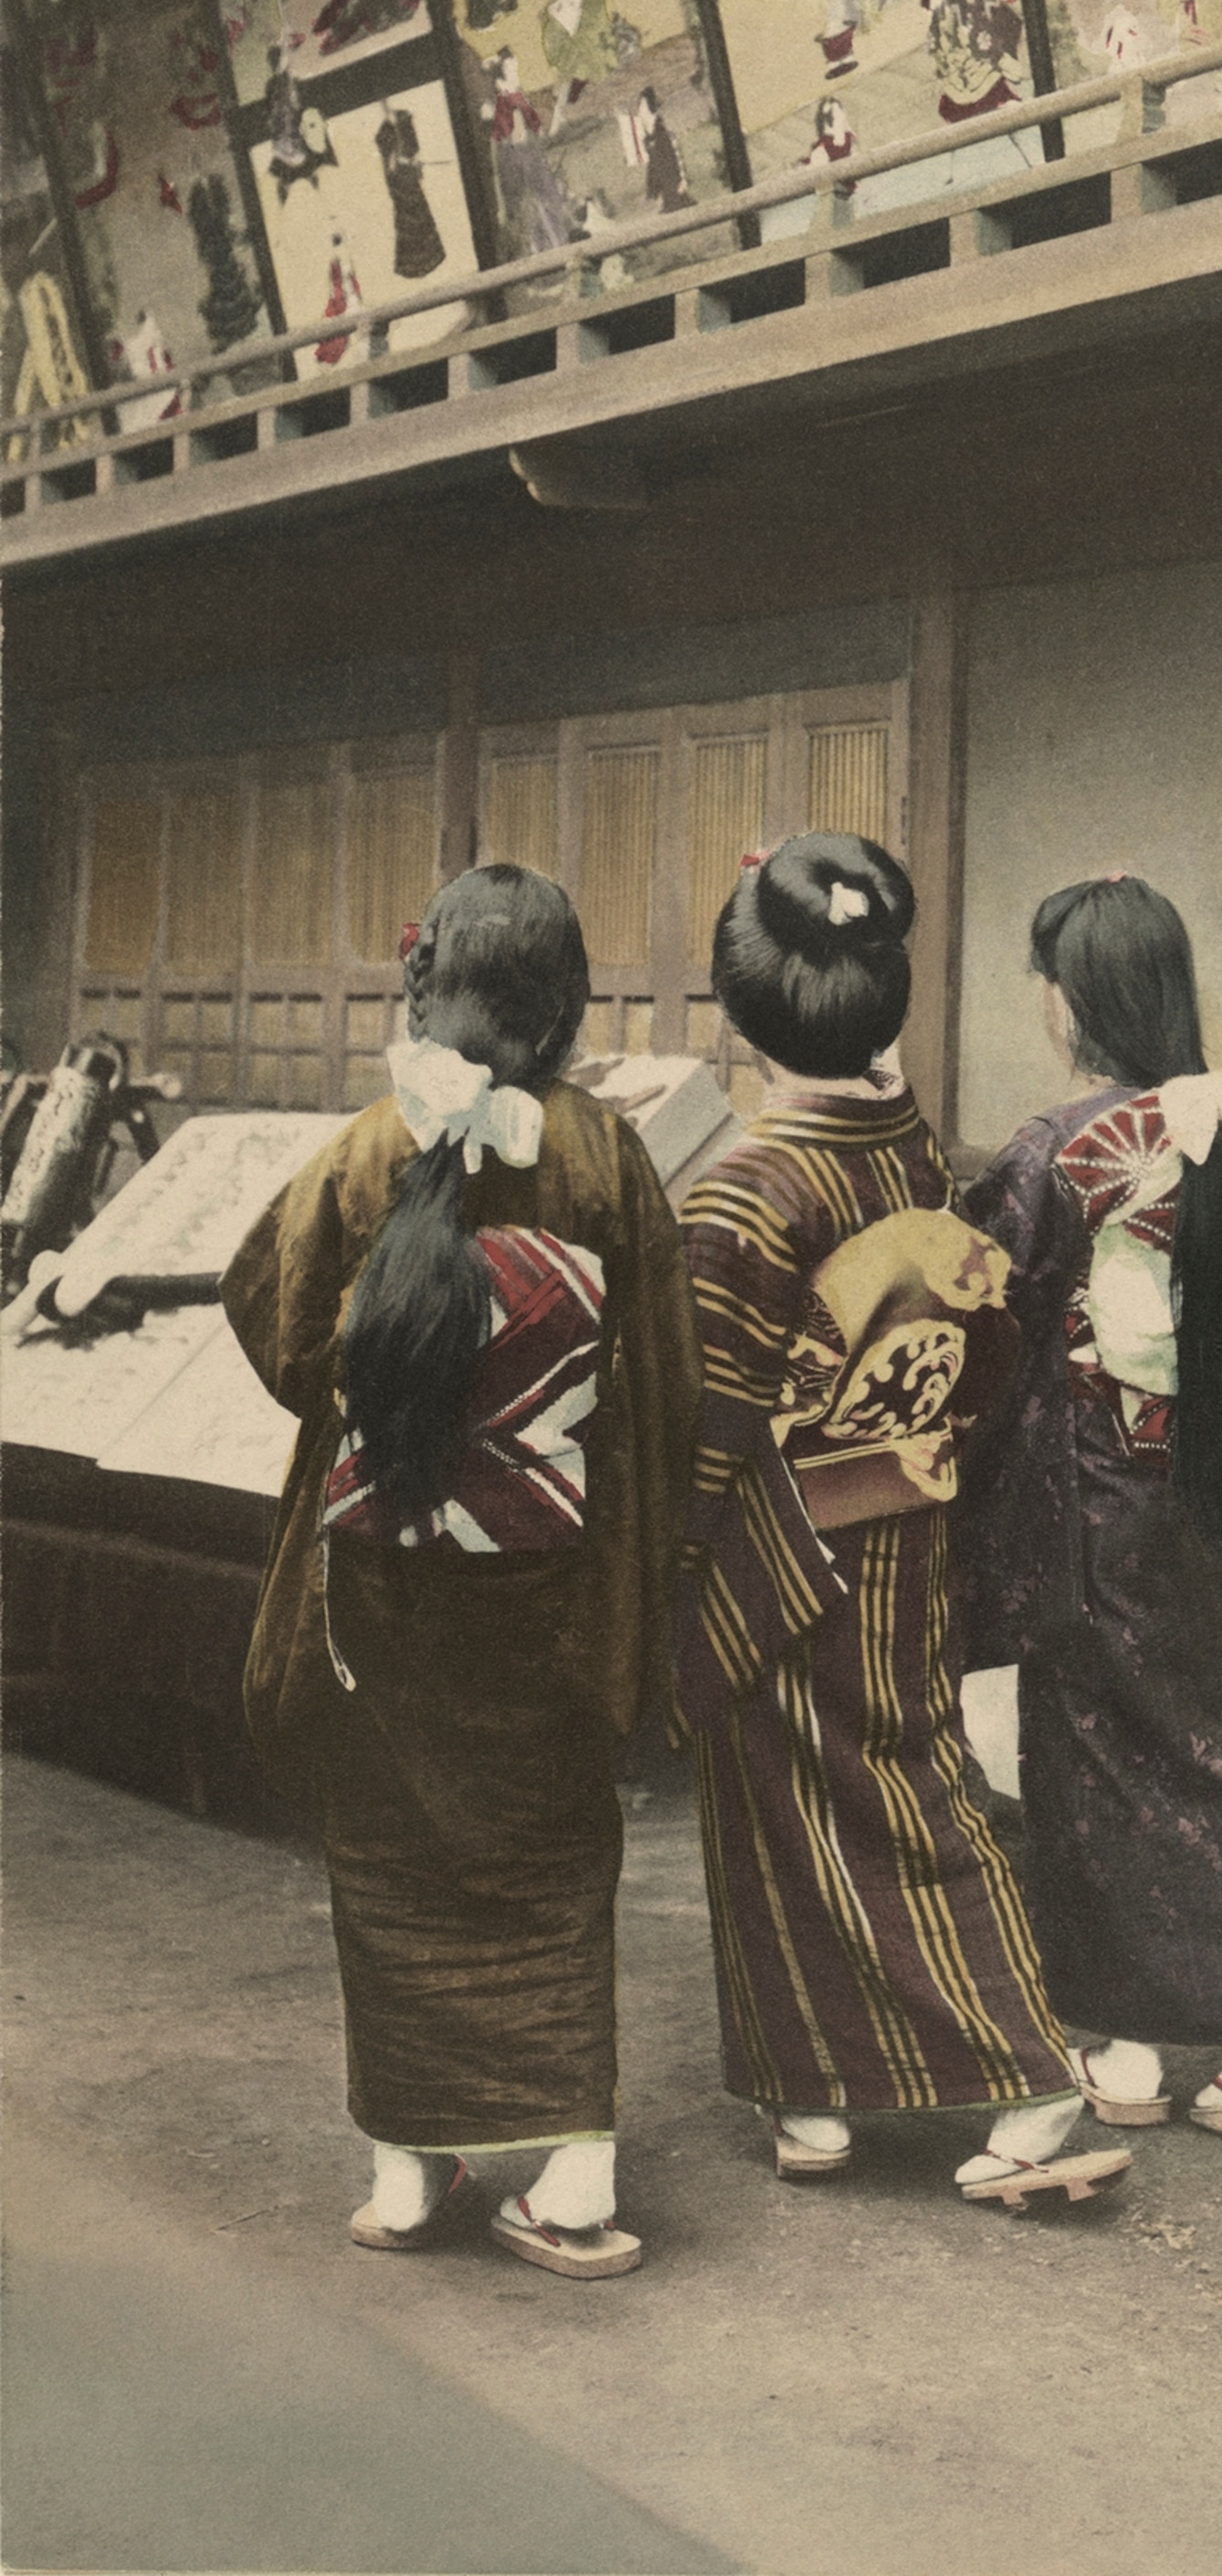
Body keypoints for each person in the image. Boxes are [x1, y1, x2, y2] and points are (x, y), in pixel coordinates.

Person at [222, 866, 701, 2277]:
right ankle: (576, 2184)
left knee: (389, 1863)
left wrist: (397, 1391)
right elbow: (663, 1389)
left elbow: (272, 1322)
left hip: (387, 1599)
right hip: (548, 1595)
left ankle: (410, 2177)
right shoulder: (608, 1155)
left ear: (424, 989)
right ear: (563, 1011)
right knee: (551, 1866)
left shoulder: (379, 1148)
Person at [673, 835, 1130, 2210]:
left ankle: (1034, 2073)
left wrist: (670, 1543)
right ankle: (813, 2083)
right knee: (856, 1784)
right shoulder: (902, 1137)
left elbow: (707, 1418)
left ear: (740, 1007)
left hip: (782, 1532)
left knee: (861, 1800)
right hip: (906, 1510)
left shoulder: (748, 1189)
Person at [953, 875, 1222, 2140]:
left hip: (1092, 1513)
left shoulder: (1055, 1151)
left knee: (1090, 1768)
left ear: (1074, 1005)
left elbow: (983, 1336)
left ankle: (1113, 2049)